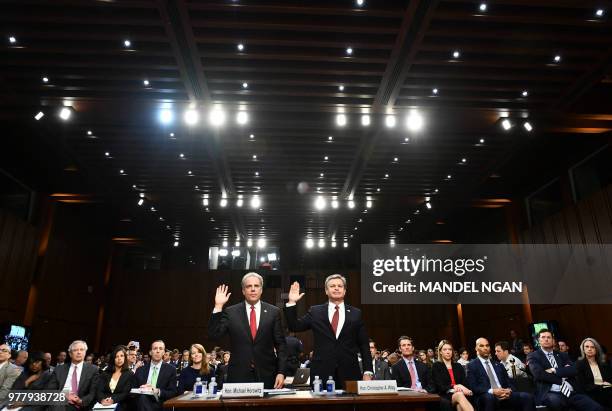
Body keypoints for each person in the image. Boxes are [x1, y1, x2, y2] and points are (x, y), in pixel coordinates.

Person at [284, 274, 373, 388]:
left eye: (340, 286)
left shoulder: (356, 313)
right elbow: (294, 326)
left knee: (349, 406)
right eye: (332, 286)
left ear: (344, 291)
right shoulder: (315, 311)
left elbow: (364, 345)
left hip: (349, 372)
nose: (336, 288)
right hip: (321, 372)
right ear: (326, 291)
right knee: (321, 406)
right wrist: (292, 302)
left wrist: (368, 372)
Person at [208, 272, 287, 389]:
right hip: (238, 375)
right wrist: (218, 306)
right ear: (243, 291)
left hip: (267, 375)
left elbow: (281, 345)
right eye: (249, 286)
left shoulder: (273, 312)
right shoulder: (231, 312)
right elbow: (214, 335)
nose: (253, 289)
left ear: (261, 289)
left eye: (256, 286)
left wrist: (281, 372)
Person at [528, 329, 603, 411]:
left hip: (570, 391)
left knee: (596, 407)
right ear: (539, 340)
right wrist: (562, 374)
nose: (546, 339)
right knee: (557, 402)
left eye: (549, 337)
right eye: (543, 337)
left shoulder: (562, 355)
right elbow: (539, 374)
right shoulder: (533, 356)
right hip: (550, 392)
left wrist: (554, 370)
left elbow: (574, 370)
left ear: (553, 340)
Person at [466, 337, 534, 411]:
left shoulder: (498, 364)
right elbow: (474, 387)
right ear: (476, 348)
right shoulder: (472, 365)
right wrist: (493, 391)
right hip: (486, 395)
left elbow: (509, 382)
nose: (485, 348)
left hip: (504, 394)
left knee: (527, 397)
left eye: (487, 345)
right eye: (481, 346)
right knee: (490, 398)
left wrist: (508, 390)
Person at [46, 340, 99, 411]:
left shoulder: (93, 370)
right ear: (70, 354)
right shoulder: (59, 369)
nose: (79, 352)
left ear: (85, 353)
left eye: (82, 350)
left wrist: (81, 401)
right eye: (75, 350)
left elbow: (93, 392)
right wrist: (65, 395)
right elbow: (50, 390)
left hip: (79, 404)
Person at [133, 340, 177, 411]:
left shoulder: (171, 370)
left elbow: (173, 392)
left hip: (161, 403)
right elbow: (133, 390)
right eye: (155, 348)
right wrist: (141, 389)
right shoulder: (140, 370)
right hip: (142, 401)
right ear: (150, 352)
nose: (158, 351)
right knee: (143, 398)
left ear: (163, 353)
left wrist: (157, 391)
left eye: (161, 349)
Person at [431, 340, 473, 411]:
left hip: (460, 394)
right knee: (459, 395)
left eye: (450, 349)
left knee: (459, 405)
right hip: (445, 395)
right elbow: (440, 386)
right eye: (445, 349)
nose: (448, 352)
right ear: (440, 352)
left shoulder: (458, 366)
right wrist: (455, 386)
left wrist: (461, 387)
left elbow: (465, 384)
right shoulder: (436, 366)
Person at [575, 337, 612, 409]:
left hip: (607, 390)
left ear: (596, 349)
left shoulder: (603, 362)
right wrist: (601, 385)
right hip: (591, 394)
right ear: (583, 349)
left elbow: (610, 378)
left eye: (592, 347)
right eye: (587, 347)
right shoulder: (579, 364)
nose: (589, 349)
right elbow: (583, 385)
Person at [0, 344, 21, 408]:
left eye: (4, 350)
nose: (0, 352)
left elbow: (4, 391)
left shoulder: (13, 369)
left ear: (9, 355)